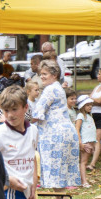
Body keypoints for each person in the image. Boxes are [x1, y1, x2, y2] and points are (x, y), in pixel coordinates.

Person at [34, 60, 80, 190]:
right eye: (41, 74)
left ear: (54, 75)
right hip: (65, 132)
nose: (42, 76)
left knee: (56, 174)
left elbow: (37, 113)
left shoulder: (50, 89)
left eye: (45, 74)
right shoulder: (58, 87)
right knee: (61, 174)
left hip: (55, 135)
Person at [75, 95, 96, 188]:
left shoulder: (89, 116)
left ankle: (82, 179)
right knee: (83, 162)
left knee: (85, 161)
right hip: (85, 142)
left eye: (91, 105)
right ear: (82, 106)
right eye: (87, 105)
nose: (90, 107)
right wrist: (80, 143)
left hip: (90, 142)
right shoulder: (80, 116)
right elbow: (77, 129)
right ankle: (84, 181)